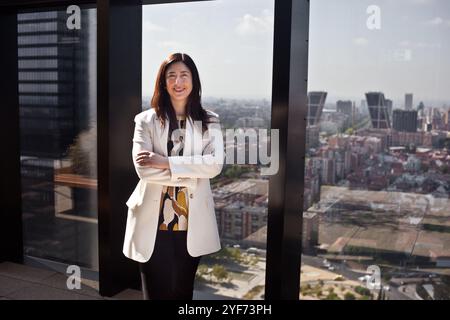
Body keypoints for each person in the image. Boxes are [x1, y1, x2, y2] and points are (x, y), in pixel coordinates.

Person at [122, 53, 224, 300]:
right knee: (155, 292)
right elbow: (144, 170)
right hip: (153, 219)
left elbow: (215, 165)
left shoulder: (210, 120)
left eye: (184, 75)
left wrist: (165, 162)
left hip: (192, 220)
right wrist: (190, 173)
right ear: (163, 82)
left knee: (182, 291)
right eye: (172, 76)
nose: (178, 82)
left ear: (194, 81)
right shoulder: (145, 120)